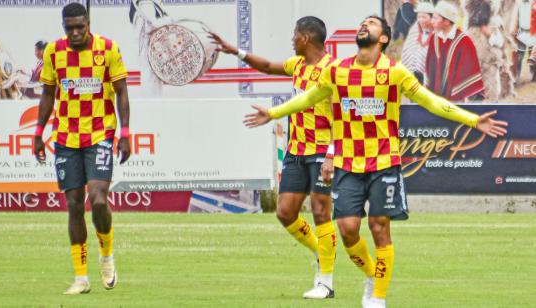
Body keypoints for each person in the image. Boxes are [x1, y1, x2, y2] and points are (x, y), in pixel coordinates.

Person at [244, 15, 508, 308]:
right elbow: (307, 99)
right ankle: (372, 275)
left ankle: (377, 298)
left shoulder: (395, 73)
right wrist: (274, 114)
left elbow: (432, 102)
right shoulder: (339, 71)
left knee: (379, 227)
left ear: (383, 38)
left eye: (371, 23)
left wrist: (472, 120)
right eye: (363, 22)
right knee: (346, 230)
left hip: (384, 163)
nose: (364, 25)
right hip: (348, 165)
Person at [209, 16, 338, 299]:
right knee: (285, 213)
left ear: (306, 38)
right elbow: (267, 66)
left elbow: (344, 117)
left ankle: (325, 283)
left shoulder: (334, 71)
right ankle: (322, 251)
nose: (292, 40)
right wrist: (237, 52)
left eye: (295, 35)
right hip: (296, 150)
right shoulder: (297, 66)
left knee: (320, 211)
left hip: (323, 151)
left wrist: (331, 155)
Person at [33, 3, 131, 295]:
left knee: (99, 201)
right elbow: (48, 93)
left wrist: (124, 132)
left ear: (88, 23)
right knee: (74, 205)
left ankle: (107, 256)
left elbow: (122, 91)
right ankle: (81, 278)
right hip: (65, 137)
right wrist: (38, 132)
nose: (75, 33)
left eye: (80, 27)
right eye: (69, 28)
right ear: (64, 27)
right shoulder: (53, 51)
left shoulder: (108, 48)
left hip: (100, 132)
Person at [425, 1, 485, 101]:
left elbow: (469, 74)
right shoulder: (433, 38)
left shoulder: (465, 42)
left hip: (457, 103)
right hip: (436, 101)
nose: (432, 21)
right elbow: (430, 67)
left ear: (447, 21)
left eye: (435, 18)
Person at [401, 2, 434, 83]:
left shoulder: (437, 33)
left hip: (430, 76)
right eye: (419, 17)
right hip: (413, 73)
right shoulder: (414, 31)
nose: (421, 20)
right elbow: (408, 49)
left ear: (431, 17)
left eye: (424, 17)